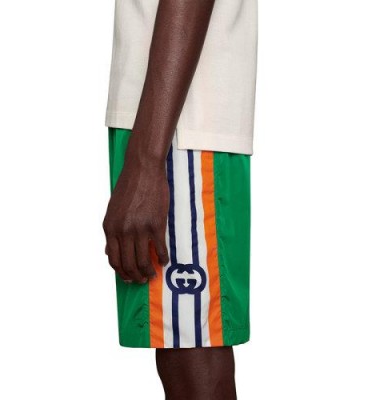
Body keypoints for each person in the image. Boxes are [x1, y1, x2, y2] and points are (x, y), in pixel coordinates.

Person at [103, 0, 258, 398]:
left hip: (177, 128)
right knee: (180, 355)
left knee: (193, 359)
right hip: (163, 123)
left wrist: (146, 160)